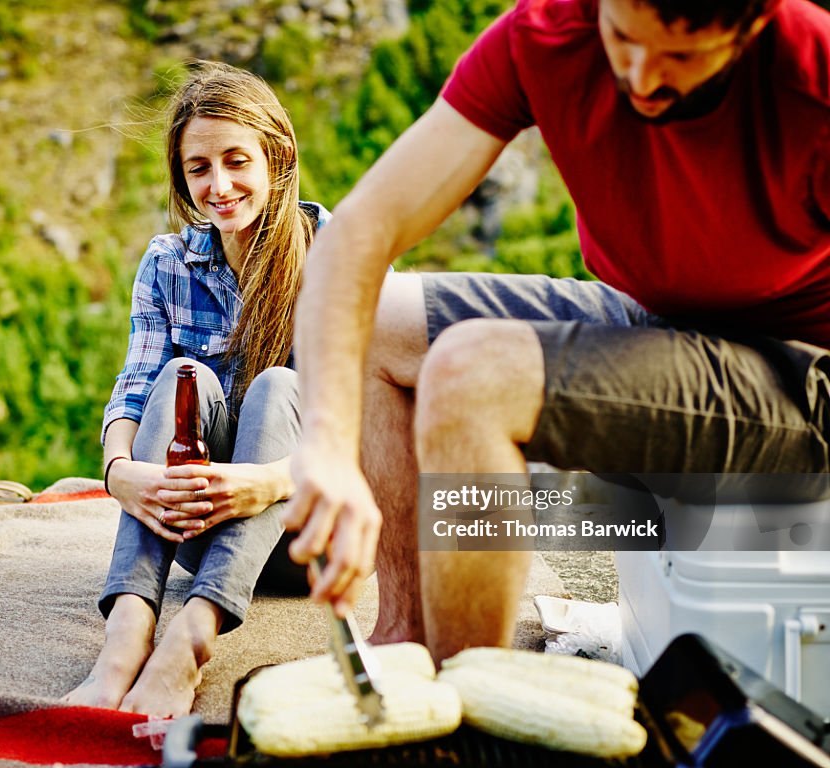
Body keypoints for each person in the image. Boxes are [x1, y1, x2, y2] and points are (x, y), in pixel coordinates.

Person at [282, 0, 830, 662]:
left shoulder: (814, 76)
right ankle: (408, 642)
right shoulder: (547, 35)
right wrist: (328, 446)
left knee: (472, 377)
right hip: (653, 318)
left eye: (681, 59)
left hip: (798, 368)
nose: (641, 77)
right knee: (376, 324)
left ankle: (472, 700)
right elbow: (357, 235)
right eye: (622, 37)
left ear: (754, 28)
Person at [63, 61, 329, 717]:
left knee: (277, 387)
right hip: (199, 526)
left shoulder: (336, 250)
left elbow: (368, 435)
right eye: (198, 168)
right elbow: (132, 390)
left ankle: (191, 638)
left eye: (236, 161)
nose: (219, 186)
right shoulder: (167, 263)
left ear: (278, 155)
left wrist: (268, 481)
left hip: (303, 536)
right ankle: (125, 638)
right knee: (182, 375)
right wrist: (119, 469)